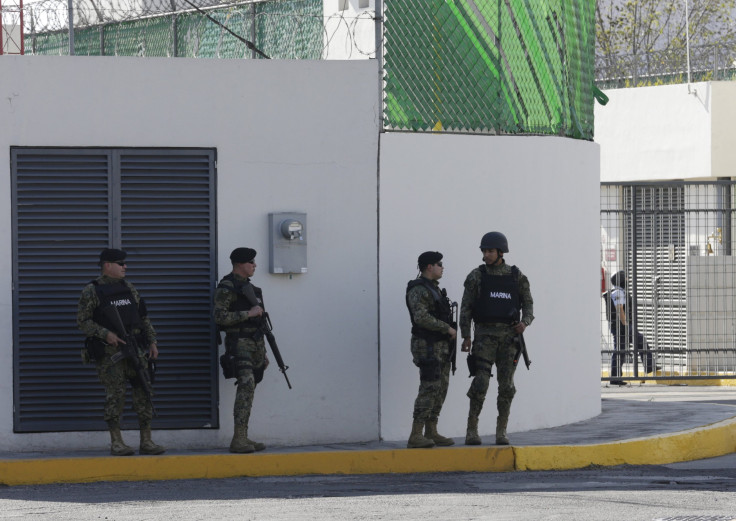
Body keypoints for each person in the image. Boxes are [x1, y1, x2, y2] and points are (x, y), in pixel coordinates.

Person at [77, 248, 165, 456]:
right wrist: (105, 334)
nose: (125, 267)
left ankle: (146, 440)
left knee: (144, 389)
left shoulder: (128, 287)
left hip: (135, 347)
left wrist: (152, 341)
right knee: (115, 395)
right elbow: (83, 321)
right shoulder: (92, 290)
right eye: (120, 263)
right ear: (107, 265)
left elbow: (143, 317)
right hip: (111, 352)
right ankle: (116, 441)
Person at [460, 232, 534, 446]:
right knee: (480, 382)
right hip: (484, 337)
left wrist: (525, 322)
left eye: (490, 251)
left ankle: (501, 431)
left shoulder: (516, 276)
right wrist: (466, 336)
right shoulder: (477, 275)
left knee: (507, 386)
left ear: (501, 252)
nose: (486, 255)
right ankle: (471, 430)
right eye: (484, 251)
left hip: (509, 339)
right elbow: (466, 308)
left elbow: (528, 303)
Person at [213, 247, 269, 454]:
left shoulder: (252, 289)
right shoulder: (227, 287)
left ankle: (243, 436)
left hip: (255, 344)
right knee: (246, 384)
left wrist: (263, 351)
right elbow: (219, 317)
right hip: (238, 344)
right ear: (239, 265)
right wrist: (248, 313)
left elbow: (259, 322)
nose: (254, 265)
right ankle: (238, 439)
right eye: (251, 262)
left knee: (250, 388)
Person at [405, 251, 457, 449]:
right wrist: (446, 328)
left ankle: (431, 430)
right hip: (426, 346)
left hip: (440, 347)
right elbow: (421, 318)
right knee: (429, 387)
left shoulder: (434, 289)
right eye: (439, 263)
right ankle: (416, 434)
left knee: (441, 387)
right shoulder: (419, 289)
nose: (442, 267)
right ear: (429, 267)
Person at [606, 271, 656, 385]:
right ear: (621, 280)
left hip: (619, 326)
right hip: (622, 326)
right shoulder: (618, 292)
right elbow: (620, 309)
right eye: (626, 278)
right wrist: (626, 324)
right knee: (625, 348)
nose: (628, 280)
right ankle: (648, 367)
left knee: (621, 350)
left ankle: (616, 377)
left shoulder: (617, 291)